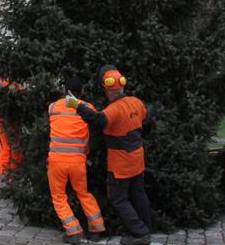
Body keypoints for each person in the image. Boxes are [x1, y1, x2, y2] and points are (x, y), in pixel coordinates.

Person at [67, 65, 152, 245]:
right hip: (137, 157)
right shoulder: (136, 102)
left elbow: (97, 120)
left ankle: (140, 233)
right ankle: (145, 227)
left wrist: (77, 106)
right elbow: (147, 120)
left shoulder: (113, 110)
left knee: (118, 198)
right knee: (138, 193)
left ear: (106, 89)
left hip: (121, 164)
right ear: (122, 86)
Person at [47, 77, 106, 243]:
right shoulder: (88, 108)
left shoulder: (52, 107)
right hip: (78, 161)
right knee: (83, 193)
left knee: (59, 197)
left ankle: (73, 232)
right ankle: (97, 228)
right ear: (83, 92)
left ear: (64, 91)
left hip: (56, 160)